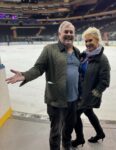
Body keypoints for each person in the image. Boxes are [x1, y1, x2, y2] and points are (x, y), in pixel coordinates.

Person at [6, 21, 80, 150]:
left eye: (71, 32)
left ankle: (67, 147)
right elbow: (38, 68)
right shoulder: (49, 49)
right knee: (56, 132)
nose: (68, 34)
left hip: (73, 100)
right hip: (56, 101)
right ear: (59, 34)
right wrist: (25, 75)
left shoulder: (77, 51)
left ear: (74, 34)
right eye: (66, 32)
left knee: (68, 129)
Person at [71, 27, 111, 147]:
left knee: (75, 114)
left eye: (90, 40)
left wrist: (94, 94)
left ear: (97, 40)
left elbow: (105, 81)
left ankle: (80, 139)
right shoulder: (84, 56)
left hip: (89, 96)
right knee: (89, 113)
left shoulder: (102, 60)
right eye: (86, 41)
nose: (88, 43)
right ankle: (100, 133)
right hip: (80, 93)